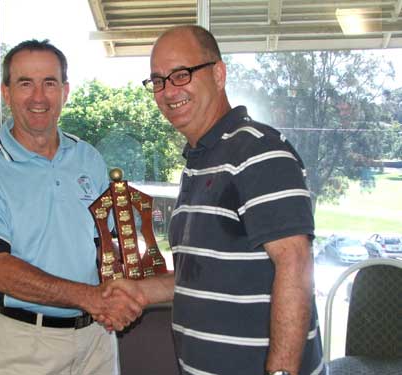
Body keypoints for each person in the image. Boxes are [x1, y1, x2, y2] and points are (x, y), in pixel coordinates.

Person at [100, 25, 325, 375]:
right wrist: (141, 291)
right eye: (157, 80)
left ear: (218, 74)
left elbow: (295, 265)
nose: (167, 91)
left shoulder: (258, 151)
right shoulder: (199, 162)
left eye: (181, 74)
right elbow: (204, 277)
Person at [0, 39, 143, 375]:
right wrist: (92, 298)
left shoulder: (88, 157)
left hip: (97, 339)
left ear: (65, 91)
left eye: (49, 83)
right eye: (25, 83)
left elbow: (109, 245)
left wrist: (125, 291)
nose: (38, 97)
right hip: (25, 345)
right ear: (6, 93)